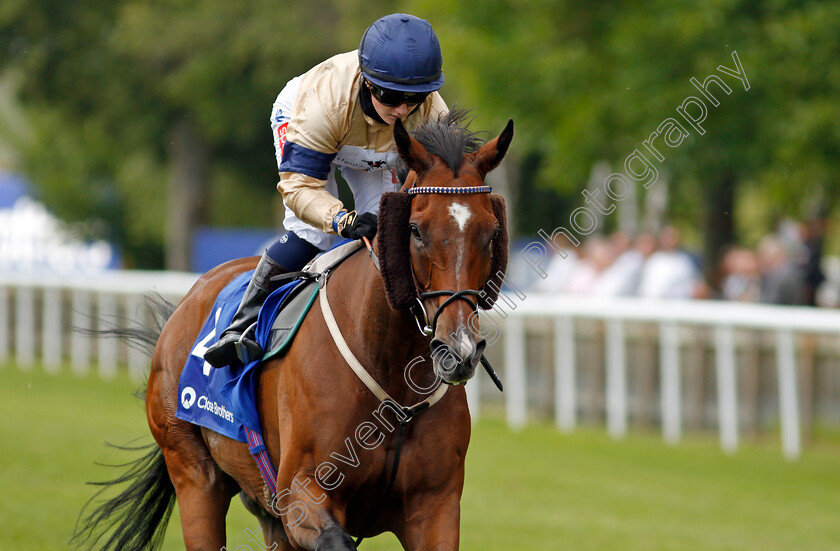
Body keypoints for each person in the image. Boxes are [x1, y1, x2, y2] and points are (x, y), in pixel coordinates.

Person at [204, 13, 448, 368]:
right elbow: (299, 187)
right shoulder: (322, 104)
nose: (402, 109)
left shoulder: (430, 112)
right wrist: (342, 220)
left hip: (376, 146)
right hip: (313, 125)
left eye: (415, 98)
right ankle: (241, 323)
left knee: (389, 229)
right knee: (313, 233)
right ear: (367, 83)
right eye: (392, 96)